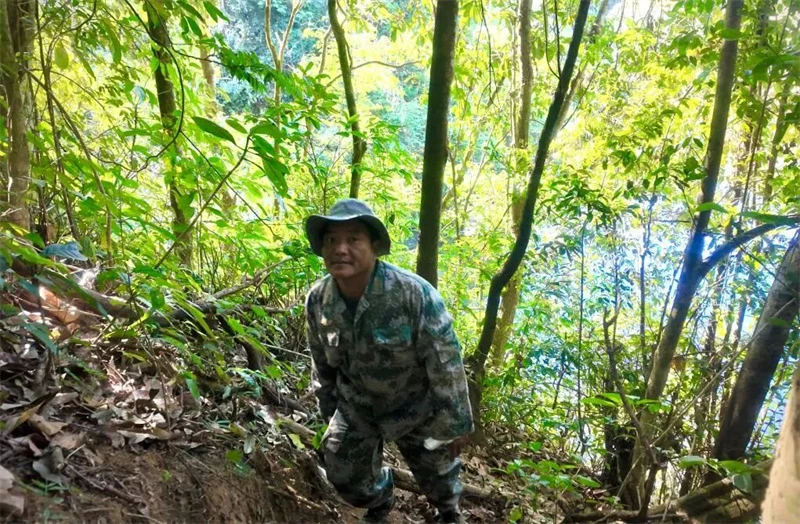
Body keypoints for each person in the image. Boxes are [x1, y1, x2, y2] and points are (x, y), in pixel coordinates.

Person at [304, 198, 473, 523]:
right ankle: (381, 499)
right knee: (343, 473)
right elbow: (321, 364)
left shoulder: (413, 293)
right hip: (358, 406)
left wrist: (455, 423)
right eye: (331, 240)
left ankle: (448, 514)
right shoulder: (319, 300)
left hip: (416, 406)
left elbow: (446, 361)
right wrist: (330, 414)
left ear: (374, 246)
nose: (340, 249)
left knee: (441, 483)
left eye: (353, 239)